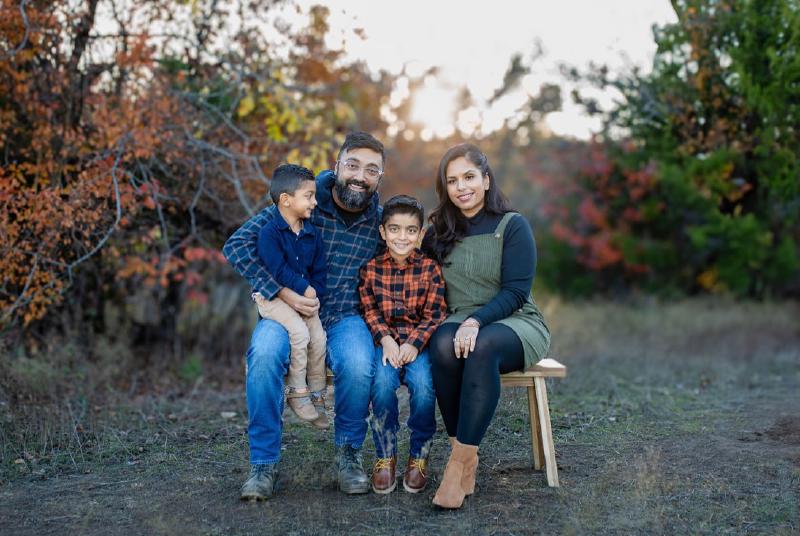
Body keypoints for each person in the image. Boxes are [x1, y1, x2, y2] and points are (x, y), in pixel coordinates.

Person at [223, 132, 386, 500]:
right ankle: (263, 465)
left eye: (372, 170)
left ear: (380, 178)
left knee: (360, 363)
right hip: (286, 313)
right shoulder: (302, 199)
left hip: (344, 315)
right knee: (264, 356)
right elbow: (237, 245)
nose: (361, 175)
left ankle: (348, 456)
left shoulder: (380, 220)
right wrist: (280, 291)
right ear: (338, 164)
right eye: (353, 165)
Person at [421, 143, 551, 509]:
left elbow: (516, 292)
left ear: (486, 179)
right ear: (444, 188)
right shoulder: (437, 234)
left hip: (515, 322)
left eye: (469, 177)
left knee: (482, 346)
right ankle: (465, 458)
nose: (461, 187)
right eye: (452, 181)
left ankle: (456, 468)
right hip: (459, 319)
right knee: (443, 345)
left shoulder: (513, 226)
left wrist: (477, 321)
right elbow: (427, 289)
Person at [358, 195, 447, 494]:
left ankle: (419, 455)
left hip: (417, 346)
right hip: (385, 345)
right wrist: (385, 339)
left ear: (421, 234)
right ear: (382, 232)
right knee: (381, 386)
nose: (402, 237)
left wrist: (414, 343)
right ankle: (385, 455)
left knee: (423, 386)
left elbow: (436, 314)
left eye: (411, 230)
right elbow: (369, 309)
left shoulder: (430, 269)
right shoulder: (370, 269)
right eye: (394, 229)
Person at [253, 164, 328, 429]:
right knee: (300, 334)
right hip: (272, 299)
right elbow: (277, 269)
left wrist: (315, 293)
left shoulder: (311, 235)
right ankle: (297, 392)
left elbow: (319, 270)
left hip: (303, 298)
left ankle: (317, 393)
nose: (315, 202)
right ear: (286, 199)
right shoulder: (269, 234)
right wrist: (303, 287)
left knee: (318, 338)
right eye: (309, 196)